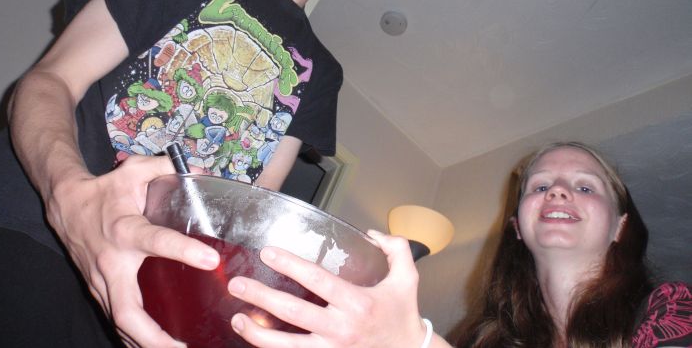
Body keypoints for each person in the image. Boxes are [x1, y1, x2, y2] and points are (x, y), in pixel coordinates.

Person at [0, 0, 427, 348]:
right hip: (30, 232)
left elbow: (247, 213)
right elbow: (49, 82)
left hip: (146, 304)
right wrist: (69, 201)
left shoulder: (323, 75)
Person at [227, 141, 692, 348]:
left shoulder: (671, 311)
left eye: (585, 186)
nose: (558, 192)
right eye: (540, 186)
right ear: (517, 226)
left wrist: (414, 343)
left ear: (620, 226)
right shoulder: (485, 338)